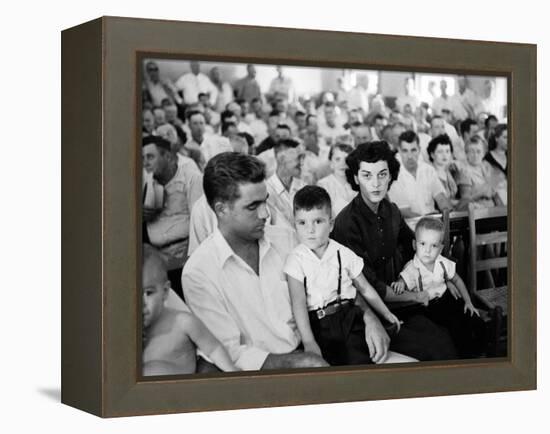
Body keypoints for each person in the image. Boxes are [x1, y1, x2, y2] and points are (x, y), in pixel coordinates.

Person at [182, 152, 328, 371]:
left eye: (266, 201)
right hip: (258, 376)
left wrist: (367, 318)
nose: (265, 214)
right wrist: (300, 362)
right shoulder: (198, 272)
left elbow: (330, 280)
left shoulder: (285, 238)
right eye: (252, 206)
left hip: (313, 347)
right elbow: (230, 352)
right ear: (221, 209)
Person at [331, 141, 457, 361]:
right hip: (368, 312)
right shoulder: (347, 223)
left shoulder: (391, 210)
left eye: (382, 174)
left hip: (400, 298)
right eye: (367, 175)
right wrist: (416, 296)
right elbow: (370, 287)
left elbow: (415, 248)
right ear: (355, 178)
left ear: (390, 176)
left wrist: (445, 277)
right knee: (439, 347)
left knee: (455, 320)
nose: (376, 183)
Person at [284, 186, 413, 366]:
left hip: (349, 317)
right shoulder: (296, 259)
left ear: (331, 224)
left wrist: (385, 312)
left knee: (364, 358)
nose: (310, 230)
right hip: (320, 324)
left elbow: (365, 288)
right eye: (302, 223)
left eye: (318, 221)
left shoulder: (342, 253)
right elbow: (298, 304)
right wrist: (308, 341)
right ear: (294, 224)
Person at [391, 217, 486, 358]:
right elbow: (403, 280)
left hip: (447, 298)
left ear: (440, 248)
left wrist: (468, 302)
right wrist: (400, 283)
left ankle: (481, 352)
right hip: (428, 307)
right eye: (422, 244)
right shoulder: (412, 267)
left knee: (473, 319)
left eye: (434, 246)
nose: (427, 250)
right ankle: (466, 358)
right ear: (414, 244)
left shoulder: (442, 263)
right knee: (453, 329)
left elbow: (457, 280)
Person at [142, 244, 236, 375]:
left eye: (148, 293)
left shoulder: (182, 322)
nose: (140, 303)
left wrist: (232, 371)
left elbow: (214, 349)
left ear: (165, 291)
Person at [142, 135, 203, 296]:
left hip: (187, 262)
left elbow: (200, 222)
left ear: (167, 156)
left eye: (150, 157)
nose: (145, 162)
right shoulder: (143, 183)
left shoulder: (191, 178)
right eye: (142, 158)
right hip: (159, 264)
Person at [389, 131, 452, 218]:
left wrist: (446, 212)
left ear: (419, 149)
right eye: (405, 151)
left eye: (413, 150)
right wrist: (430, 222)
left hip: (433, 222)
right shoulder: (394, 174)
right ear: (399, 150)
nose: (410, 156)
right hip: (410, 226)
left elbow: (441, 198)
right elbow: (405, 212)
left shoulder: (428, 170)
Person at [266, 139, 307, 229]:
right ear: (281, 159)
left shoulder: (304, 187)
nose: (302, 163)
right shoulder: (266, 191)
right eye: (298, 158)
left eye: (303, 158)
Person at [457, 136, 503, 209]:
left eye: (478, 151)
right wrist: (481, 193)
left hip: (492, 209)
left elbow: (495, 193)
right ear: (466, 154)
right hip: (476, 211)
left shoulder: (487, 166)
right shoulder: (464, 171)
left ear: (484, 153)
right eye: (471, 151)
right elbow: (464, 202)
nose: (475, 155)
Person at [317, 143, 357, 217]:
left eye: (346, 159)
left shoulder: (357, 184)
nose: (343, 163)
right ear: (331, 163)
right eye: (337, 159)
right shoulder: (324, 185)